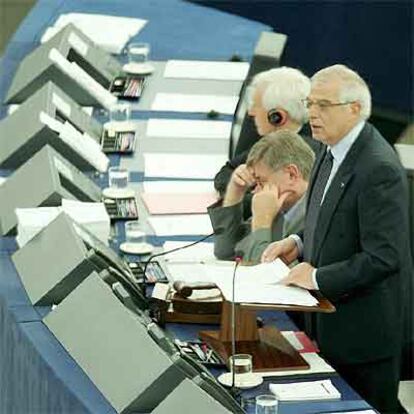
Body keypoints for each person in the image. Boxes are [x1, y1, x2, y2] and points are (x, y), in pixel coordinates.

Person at [262, 64, 411, 414]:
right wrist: (296, 243)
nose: (312, 113)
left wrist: (314, 277)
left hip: (363, 338)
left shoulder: (379, 169)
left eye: (323, 105)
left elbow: (383, 257)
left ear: (354, 108)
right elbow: (330, 220)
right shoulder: (329, 149)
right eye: (309, 103)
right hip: (327, 325)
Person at [214, 67, 318, 211]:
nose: (251, 112)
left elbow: (266, 203)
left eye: (256, 106)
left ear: (277, 116)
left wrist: (239, 195)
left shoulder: (307, 151)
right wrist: (239, 181)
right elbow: (227, 171)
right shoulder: (273, 143)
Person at [208, 129, 314, 262]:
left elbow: (265, 273)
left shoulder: (316, 214)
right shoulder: (281, 208)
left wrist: (262, 222)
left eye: (261, 182)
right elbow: (227, 251)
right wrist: (235, 193)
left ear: (291, 174)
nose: (255, 191)